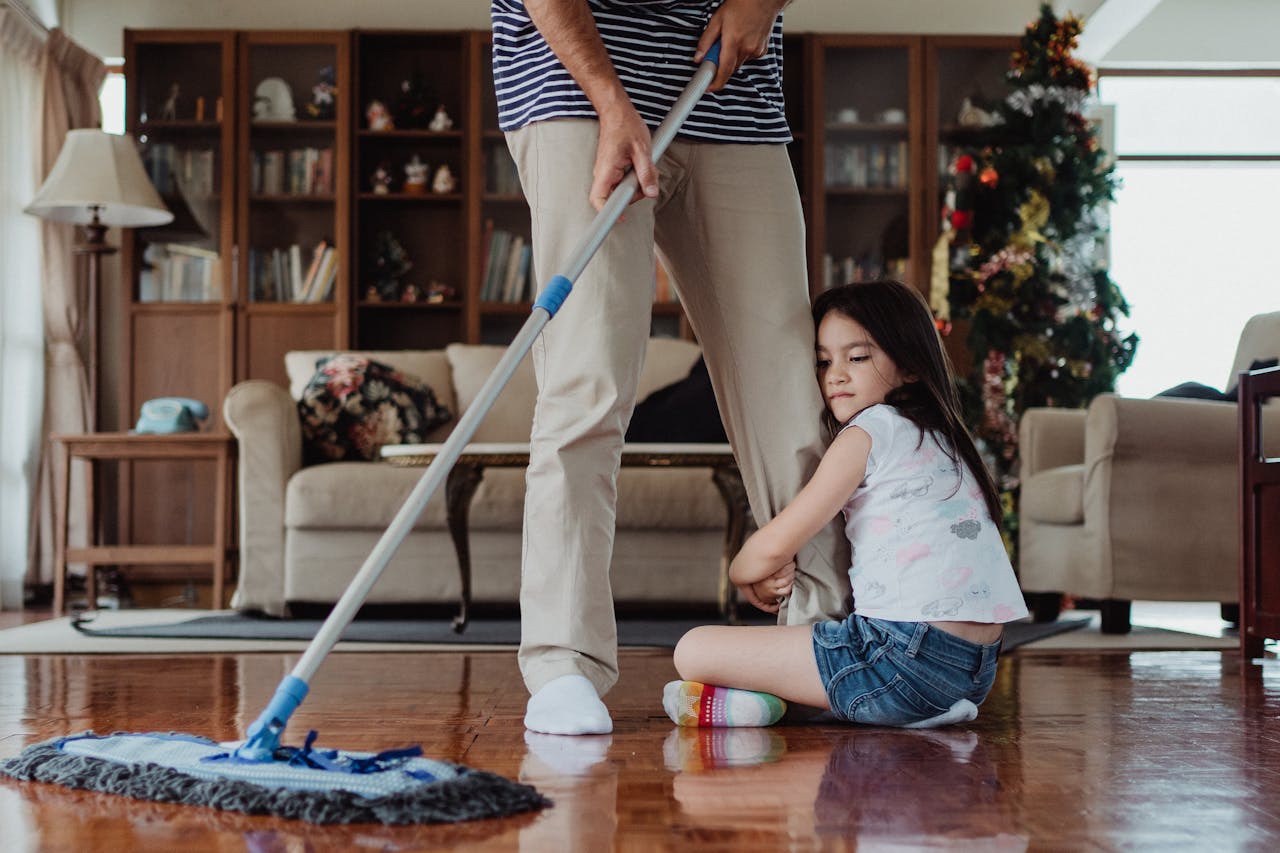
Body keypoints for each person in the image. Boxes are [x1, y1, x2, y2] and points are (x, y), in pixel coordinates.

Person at [491, 0, 851, 736]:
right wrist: (606, 96)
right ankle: (564, 664)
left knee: (787, 389)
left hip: (731, 92)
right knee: (589, 381)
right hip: (575, 83)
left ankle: (831, 641)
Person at [663, 280, 1029, 729]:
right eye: (822, 362)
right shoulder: (945, 436)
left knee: (692, 649)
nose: (835, 374)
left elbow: (778, 541)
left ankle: (760, 704)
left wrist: (742, 572)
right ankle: (790, 702)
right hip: (977, 670)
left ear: (910, 365)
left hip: (900, 661)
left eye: (856, 358)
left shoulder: (869, 431)